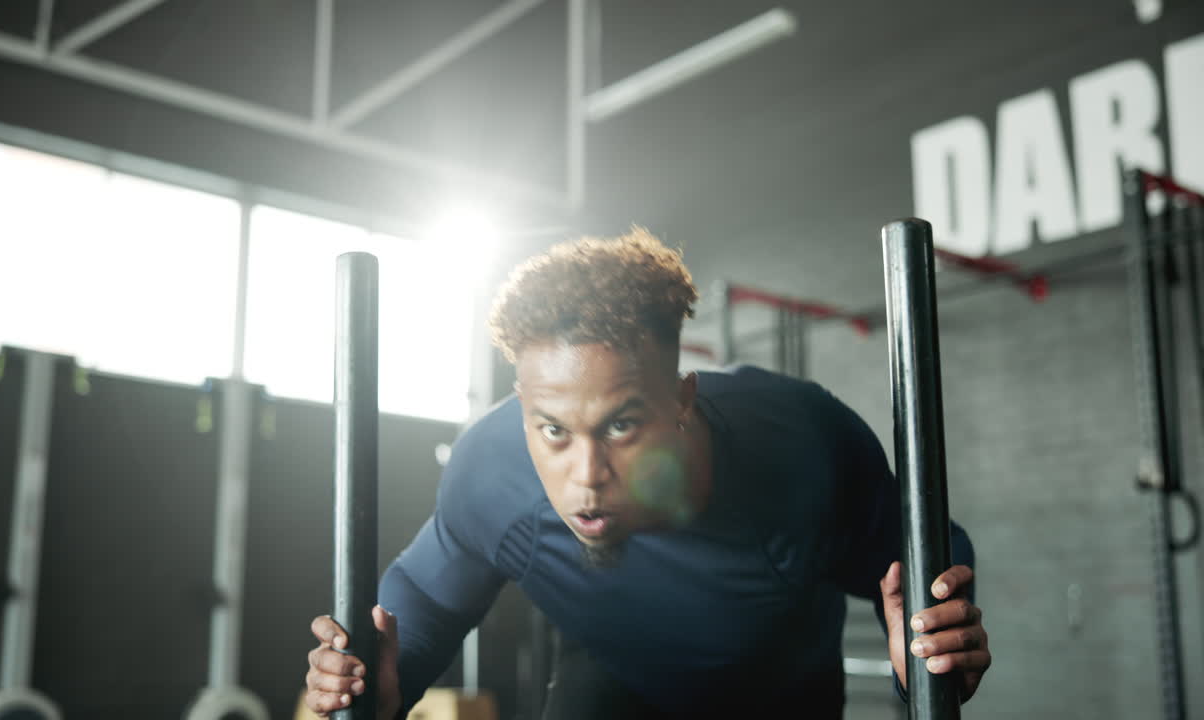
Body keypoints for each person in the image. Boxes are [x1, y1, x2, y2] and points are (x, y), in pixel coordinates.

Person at [304, 228, 991, 719]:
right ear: (522, 408)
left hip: (781, 692)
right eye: (553, 431)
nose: (587, 478)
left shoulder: (801, 447)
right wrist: (386, 683)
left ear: (682, 401)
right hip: (610, 676)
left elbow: (924, 550)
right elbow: (425, 592)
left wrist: (926, 656)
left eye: (621, 426)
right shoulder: (492, 472)